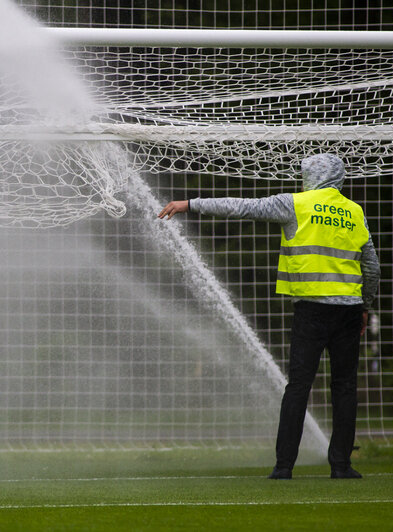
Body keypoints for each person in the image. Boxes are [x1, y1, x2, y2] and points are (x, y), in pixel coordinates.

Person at [158, 153, 380, 480]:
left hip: (311, 310)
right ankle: (342, 466)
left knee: (298, 387)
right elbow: (372, 267)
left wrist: (190, 204)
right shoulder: (354, 212)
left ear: (310, 176)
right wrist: (365, 307)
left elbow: (243, 206)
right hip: (348, 310)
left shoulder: (295, 204)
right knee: (345, 388)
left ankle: (283, 467)